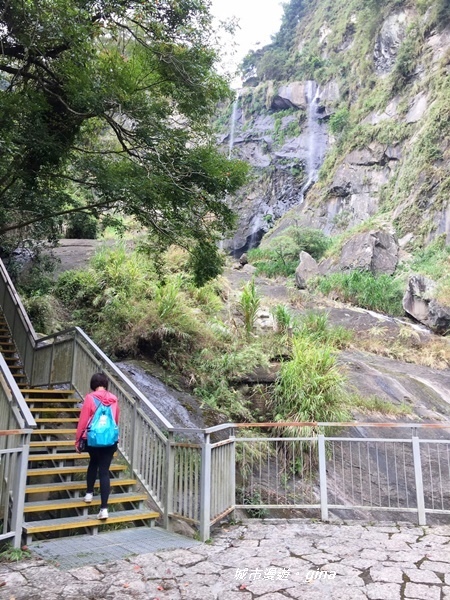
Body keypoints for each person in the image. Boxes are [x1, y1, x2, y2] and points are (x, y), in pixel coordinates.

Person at [75, 372, 120, 520]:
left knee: (93, 462)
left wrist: (78, 440)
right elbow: (116, 420)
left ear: (93, 385)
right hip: (109, 440)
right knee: (104, 472)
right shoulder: (114, 399)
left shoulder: (90, 398)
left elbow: (83, 420)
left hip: (93, 439)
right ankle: (104, 509)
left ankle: (89, 494)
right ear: (105, 384)